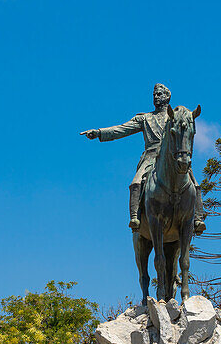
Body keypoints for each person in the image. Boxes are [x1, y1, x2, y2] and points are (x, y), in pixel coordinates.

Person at [81, 83, 206, 233]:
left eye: (159, 94)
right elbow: (121, 129)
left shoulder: (175, 117)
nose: (156, 97)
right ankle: (135, 217)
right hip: (151, 157)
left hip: (172, 157)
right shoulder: (145, 118)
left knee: (194, 183)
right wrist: (99, 132)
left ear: (167, 97)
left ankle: (198, 219)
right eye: (154, 95)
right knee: (136, 182)